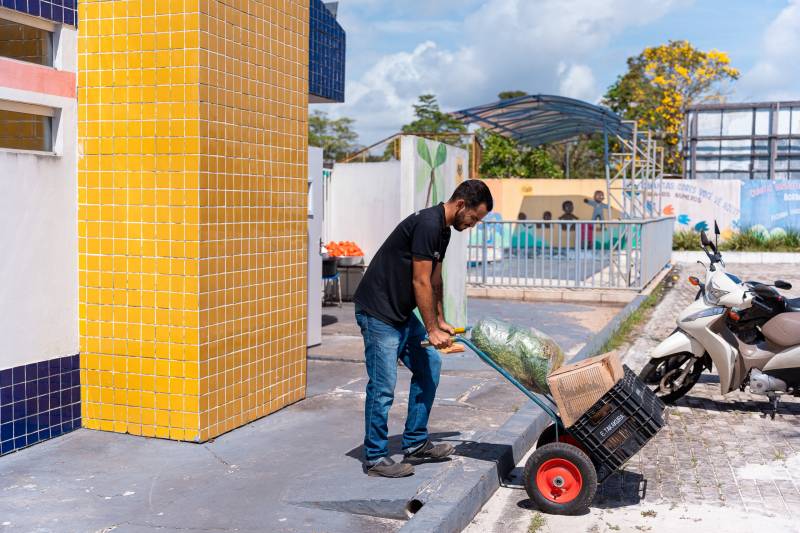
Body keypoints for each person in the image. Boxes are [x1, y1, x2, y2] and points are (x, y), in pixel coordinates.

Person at [353, 180, 493, 478]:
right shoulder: (428, 224)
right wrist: (431, 329)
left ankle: (415, 443)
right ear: (461, 205)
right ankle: (375, 457)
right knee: (383, 386)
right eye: (474, 217)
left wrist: (440, 319)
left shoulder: (444, 231)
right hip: (378, 312)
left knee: (430, 365)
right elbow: (420, 281)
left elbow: (435, 279)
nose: (472, 224)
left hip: (400, 313)